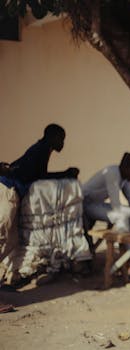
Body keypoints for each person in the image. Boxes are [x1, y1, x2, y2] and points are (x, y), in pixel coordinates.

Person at [0, 124, 78, 312]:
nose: (63, 143)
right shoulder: (41, 150)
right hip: (7, 191)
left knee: (11, 241)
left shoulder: (41, 149)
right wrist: (66, 173)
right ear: (51, 137)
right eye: (61, 138)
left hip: (11, 192)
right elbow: (40, 177)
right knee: (2, 238)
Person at [82, 152, 130, 233]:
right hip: (85, 204)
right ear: (126, 167)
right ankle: (126, 244)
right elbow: (116, 207)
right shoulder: (112, 173)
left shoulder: (125, 179)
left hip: (97, 204)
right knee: (121, 217)